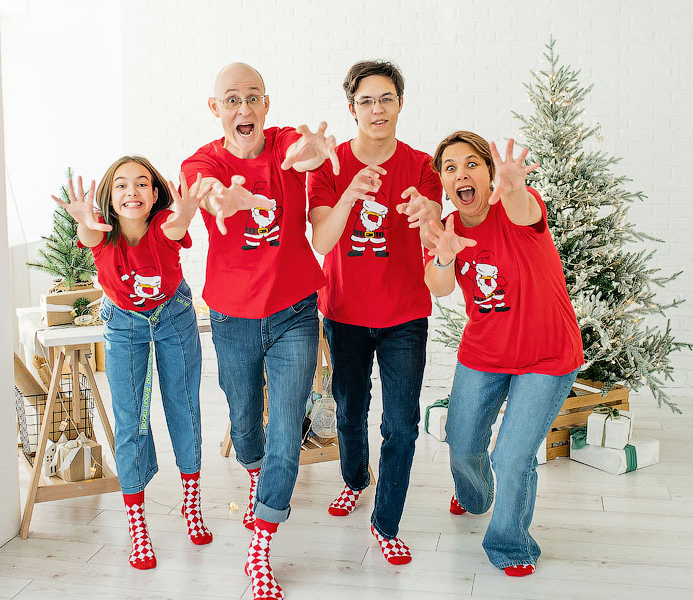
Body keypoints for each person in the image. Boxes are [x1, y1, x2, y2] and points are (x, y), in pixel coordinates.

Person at [180, 62, 339, 600]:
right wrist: (224, 197)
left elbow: (303, 153)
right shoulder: (200, 161)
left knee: (286, 427)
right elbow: (204, 187)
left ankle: (262, 546)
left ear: (266, 104)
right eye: (231, 99)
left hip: (295, 311)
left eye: (253, 98)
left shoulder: (284, 141)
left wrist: (313, 151)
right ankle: (253, 480)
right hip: (231, 317)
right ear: (215, 107)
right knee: (245, 422)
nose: (243, 108)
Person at [422, 131, 584, 577]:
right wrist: (442, 257)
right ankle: (474, 495)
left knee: (512, 457)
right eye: (451, 168)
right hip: (485, 352)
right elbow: (439, 288)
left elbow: (522, 208)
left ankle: (512, 544)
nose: (461, 174)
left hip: (547, 357)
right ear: (444, 181)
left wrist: (513, 188)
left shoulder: (517, 205)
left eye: (472, 163)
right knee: (461, 444)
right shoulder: (447, 227)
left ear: (489, 172)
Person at [307, 60, 442, 565]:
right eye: (366, 100)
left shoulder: (425, 167)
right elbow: (322, 239)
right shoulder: (329, 164)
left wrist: (429, 213)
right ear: (351, 109)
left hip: (404, 315)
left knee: (401, 424)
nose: (377, 109)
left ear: (400, 104)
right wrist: (349, 193)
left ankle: (386, 523)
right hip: (343, 312)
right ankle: (354, 478)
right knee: (348, 410)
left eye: (386, 98)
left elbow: (436, 242)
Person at [53, 156, 210, 571]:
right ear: (110, 197)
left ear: (155, 194)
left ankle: (191, 502)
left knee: (184, 408)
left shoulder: (163, 228)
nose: (132, 192)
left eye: (142, 184)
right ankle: (136, 520)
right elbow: (87, 233)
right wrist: (81, 218)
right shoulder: (101, 235)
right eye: (121, 185)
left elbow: (177, 225)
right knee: (131, 420)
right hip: (124, 327)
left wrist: (187, 209)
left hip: (173, 317)